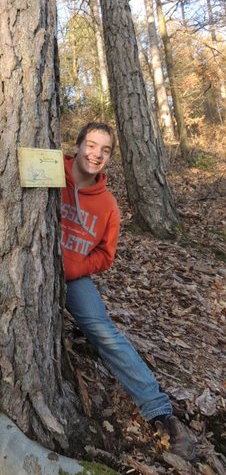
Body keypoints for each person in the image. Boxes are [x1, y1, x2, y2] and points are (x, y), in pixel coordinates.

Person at [62, 121, 196, 461]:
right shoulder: (50, 170)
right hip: (29, 268)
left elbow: (105, 256)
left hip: (72, 278)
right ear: (77, 146)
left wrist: (73, 269)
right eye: (91, 145)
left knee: (103, 331)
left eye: (105, 151)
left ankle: (160, 413)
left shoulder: (108, 205)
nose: (96, 155)